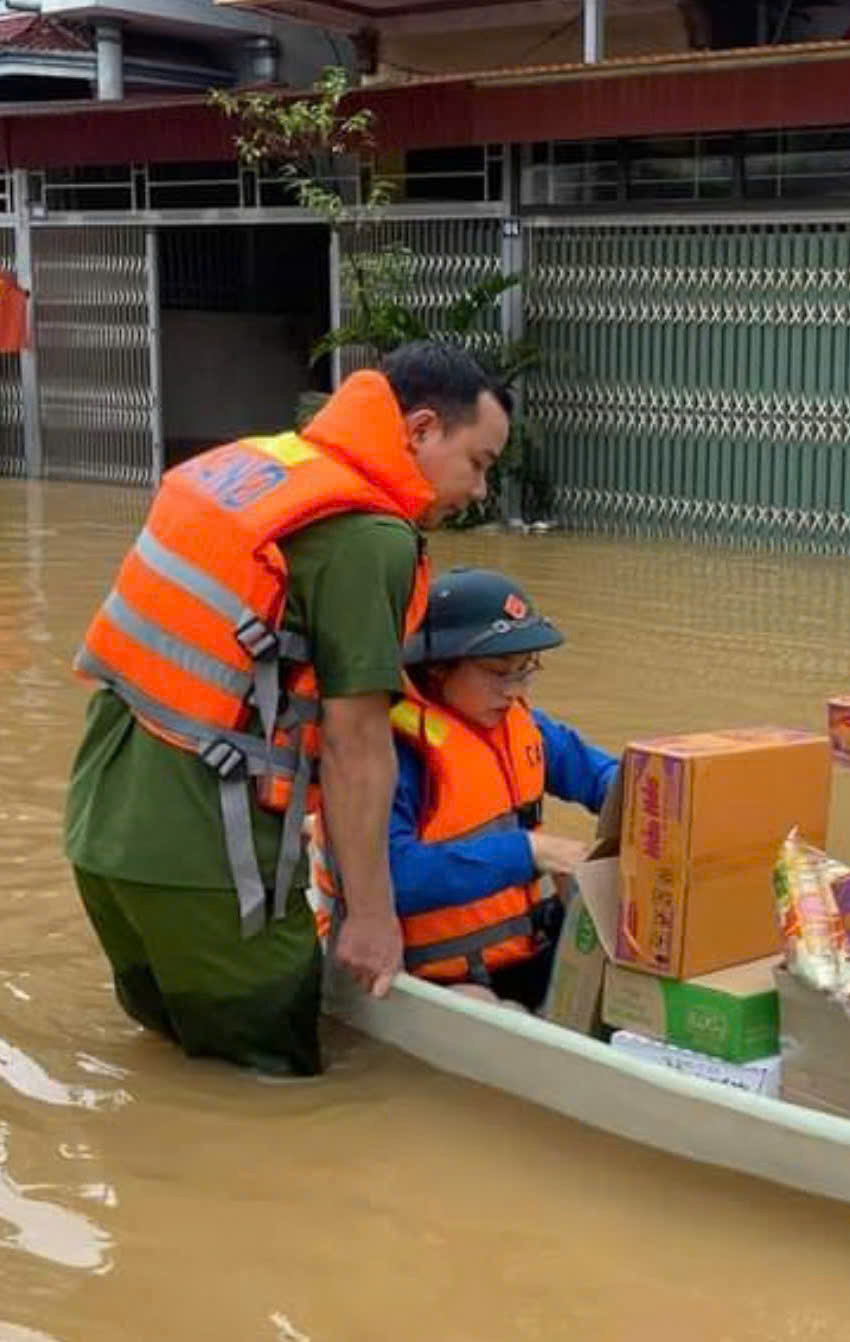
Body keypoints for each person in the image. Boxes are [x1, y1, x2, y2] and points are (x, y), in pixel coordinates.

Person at [64, 341, 512, 1075]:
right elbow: (355, 742)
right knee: (273, 1097)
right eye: (480, 463)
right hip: (210, 861)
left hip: (102, 832)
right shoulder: (369, 538)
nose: (479, 492)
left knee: (173, 1070)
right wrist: (371, 919)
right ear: (424, 429)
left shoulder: (257, 464)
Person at [311, 568, 616, 1009]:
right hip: (430, 971)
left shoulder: (524, 726)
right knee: (486, 1004)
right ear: (436, 668)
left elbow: (603, 777)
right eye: (497, 672)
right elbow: (392, 878)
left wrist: (659, 794)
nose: (513, 690)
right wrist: (530, 853)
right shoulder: (391, 755)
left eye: (524, 671)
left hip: (520, 952)